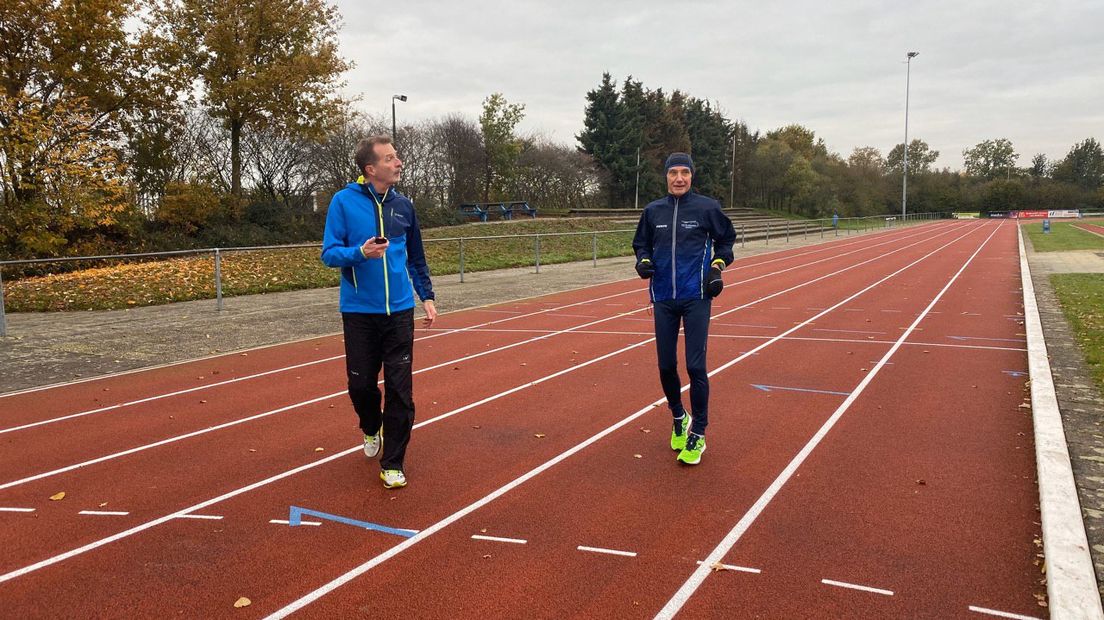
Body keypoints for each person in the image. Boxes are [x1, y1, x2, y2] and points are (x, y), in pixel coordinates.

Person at [321, 135, 437, 489]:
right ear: (371, 169)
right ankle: (372, 428)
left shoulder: (404, 206)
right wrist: (360, 252)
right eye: (390, 158)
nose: (398, 162)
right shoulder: (343, 203)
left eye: (397, 156)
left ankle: (393, 462)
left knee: (401, 390)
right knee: (361, 387)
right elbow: (329, 254)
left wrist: (426, 296)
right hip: (359, 312)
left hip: (399, 312)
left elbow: (416, 256)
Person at [632, 152, 736, 465]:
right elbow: (642, 244)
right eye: (673, 173)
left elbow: (726, 242)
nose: (679, 178)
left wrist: (717, 267)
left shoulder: (707, 207)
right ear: (665, 176)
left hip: (696, 296)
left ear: (692, 176)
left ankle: (699, 433)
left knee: (694, 366)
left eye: (684, 173)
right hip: (663, 296)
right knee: (665, 366)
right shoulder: (653, 211)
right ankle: (678, 415)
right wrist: (643, 261)